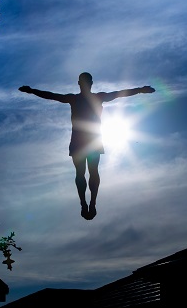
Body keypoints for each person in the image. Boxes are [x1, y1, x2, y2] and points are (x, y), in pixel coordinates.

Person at [19, 72, 155, 220]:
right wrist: (32, 91)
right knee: (82, 173)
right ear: (81, 83)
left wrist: (140, 89)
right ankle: (84, 202)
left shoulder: (94, 97)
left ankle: (91, 202)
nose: (85, 84)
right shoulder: (77, 98)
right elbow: (52, 95)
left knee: (91, 172)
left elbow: (119, 94)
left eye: (86, 82)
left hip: (91, 141)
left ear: (90, 83)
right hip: (82, 141)